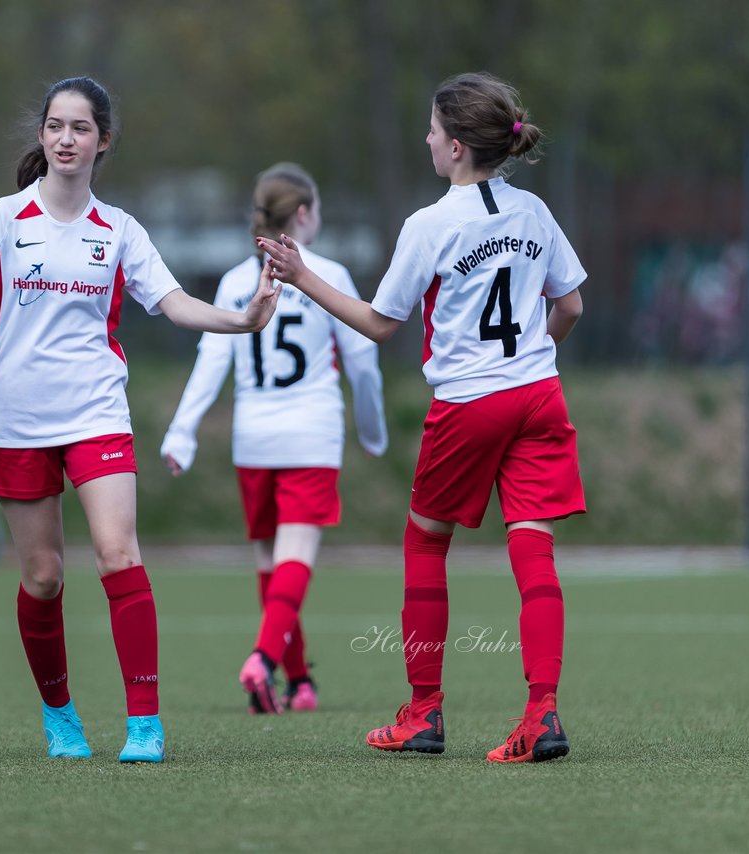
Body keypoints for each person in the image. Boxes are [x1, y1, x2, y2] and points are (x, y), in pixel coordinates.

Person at [0, 76, 280, 764]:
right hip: (17, 423)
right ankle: (59, 713)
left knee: (120, 553)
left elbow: (174, 303)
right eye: (55, 126)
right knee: (44, 576)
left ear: (103, 141)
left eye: (80, 128)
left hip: (96, 413)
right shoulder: (4, 219)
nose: (66, 138)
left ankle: (144, 723)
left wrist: (243, 318)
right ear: (42, 136)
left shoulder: (118, 231)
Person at [260, 71, 585, 763]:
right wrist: (527, 358)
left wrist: (301, 275)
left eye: (435, 130)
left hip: (469, 403)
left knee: (426, 543)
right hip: (539, 395)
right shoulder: (535, 213)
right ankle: (543, 714)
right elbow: (572, 306)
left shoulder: (430, 224)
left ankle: (424, 713)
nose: (428, 139)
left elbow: (379, 325)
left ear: (459, 147)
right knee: (532, 547)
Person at [160, 163, 388, 715]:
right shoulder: (328, 273)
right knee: (296, 559)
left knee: (269, 562)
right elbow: (363, 363)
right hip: (311, 434)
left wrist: (181, 430)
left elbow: (211, 360)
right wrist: (372, 430)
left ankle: (300, 683)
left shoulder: (237, 281)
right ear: (304, 215)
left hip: (254, 439)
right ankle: (263, 660)